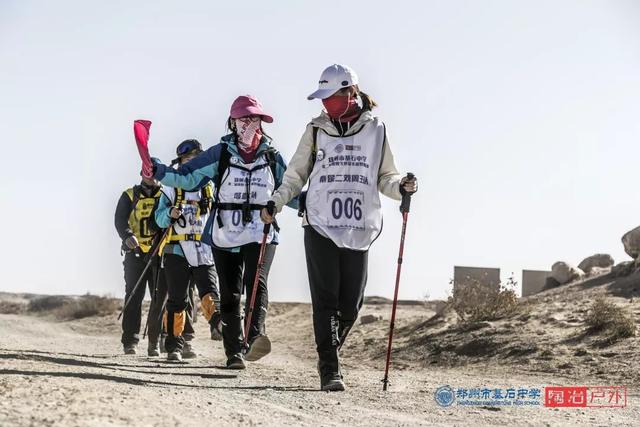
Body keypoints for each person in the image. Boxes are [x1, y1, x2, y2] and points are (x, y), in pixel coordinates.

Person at [262, 64, 418, 391]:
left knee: (351, 304)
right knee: (325, 299)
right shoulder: (315, 130)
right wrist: (275, 202)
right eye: (324, 97)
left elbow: (385, 177)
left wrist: (401, 187)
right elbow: (295, 175)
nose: (327, 102)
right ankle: (329, 367)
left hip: (359, 226)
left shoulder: (376, 130)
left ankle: (330, 347)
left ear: (351, 92)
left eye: (332, 96)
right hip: (319, 223)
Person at [152, 95, 296, 369]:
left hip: (261, 230)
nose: (250, 124)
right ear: (232, 122)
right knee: (229, 294)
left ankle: (254, 337)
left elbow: (289, 190)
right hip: (225, 233)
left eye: (255, 118)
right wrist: (157, 171)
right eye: (244, 118)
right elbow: (187, 177)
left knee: (256, 283)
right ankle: (233, 352)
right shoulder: (220, 153)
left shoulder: (272, 155)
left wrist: (314, 205)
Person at [155, 139, 223, 361]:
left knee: (210, 293)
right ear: (181, 161)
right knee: (177, 299)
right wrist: (169, 215)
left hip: (204, 248)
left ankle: (226, 333)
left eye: (196, 158)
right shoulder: (170, 186)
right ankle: (174, 346)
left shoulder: (211, 185)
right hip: (177, 248)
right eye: (188, 158)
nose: (192, 162)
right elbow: (158, 218)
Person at [114, 174, 169, 355]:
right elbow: (120, 220)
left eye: (154, 174)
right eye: (147, 173)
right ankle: (130, 341)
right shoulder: (129, 195)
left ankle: (159, 339)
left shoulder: (166, 194)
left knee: (160, 299)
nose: (151, 177)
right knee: (133, 296)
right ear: (141, 175)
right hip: (135, 255)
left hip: (159, 254)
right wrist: (127, 235)